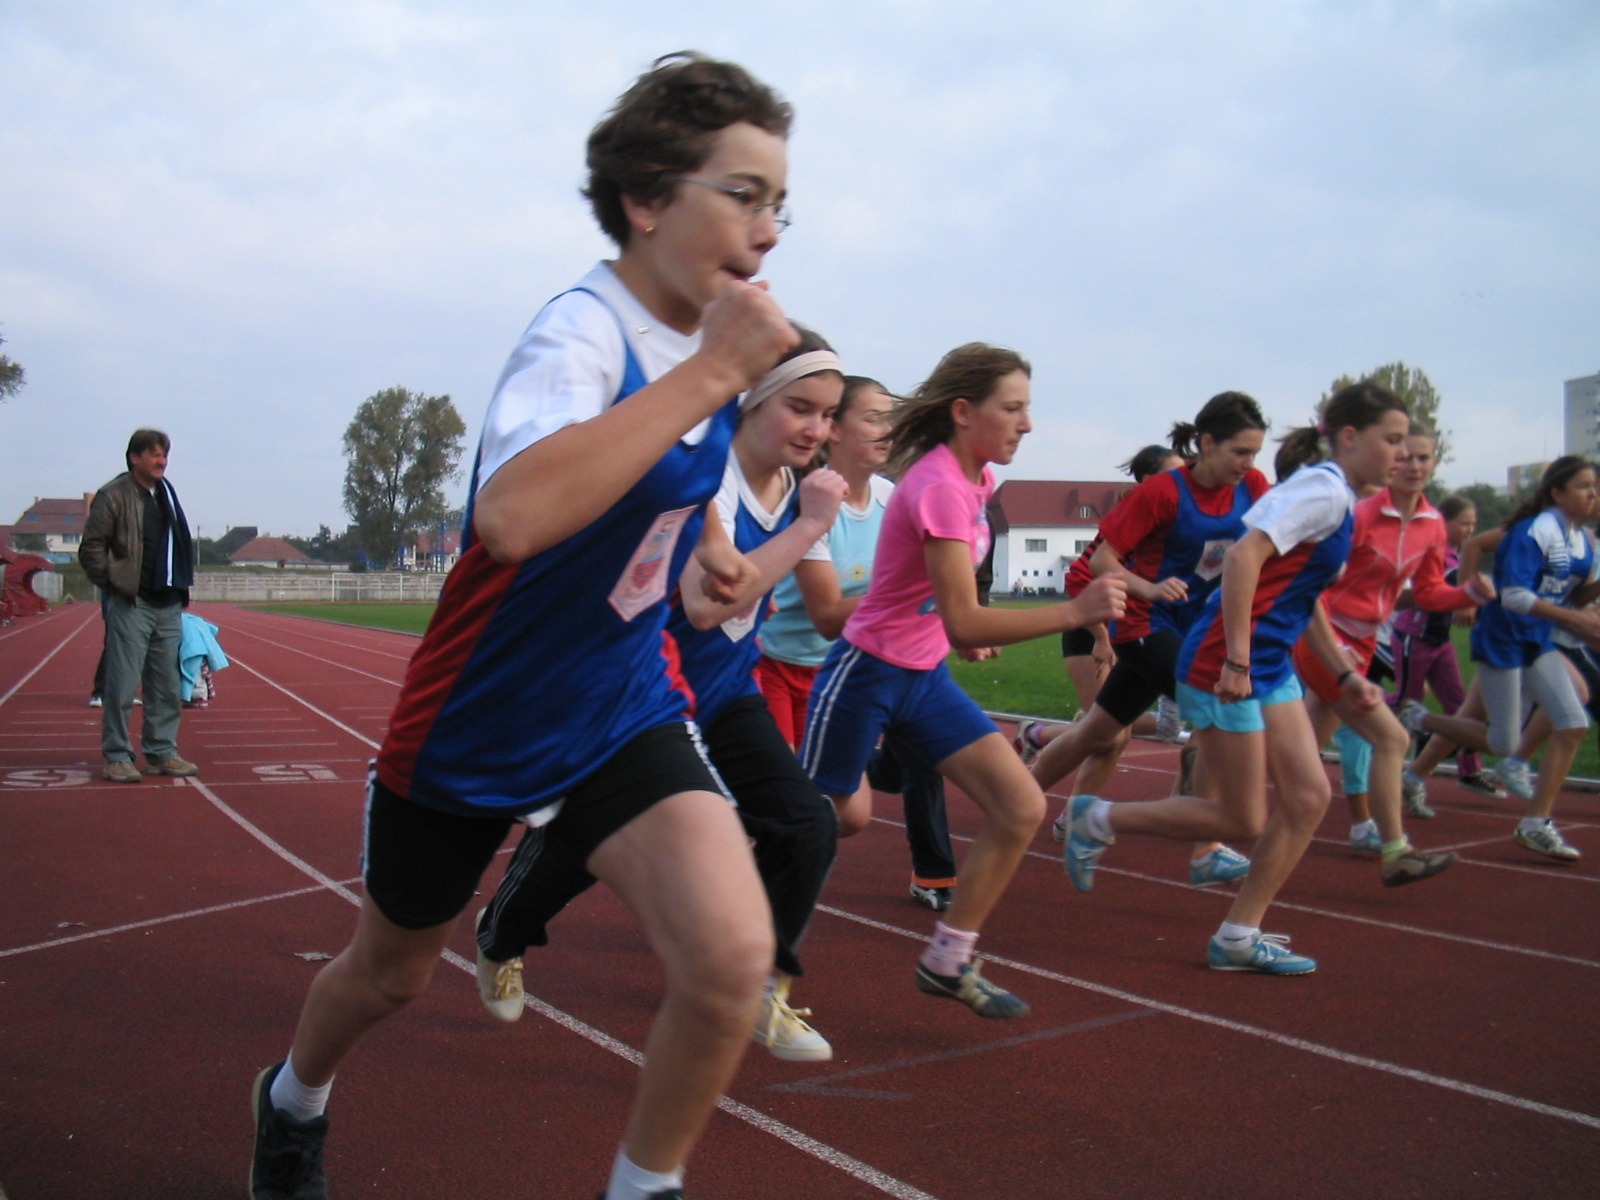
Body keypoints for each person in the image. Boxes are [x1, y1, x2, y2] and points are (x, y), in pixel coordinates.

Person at [247, 52, 800, 1200]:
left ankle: (642, 1188)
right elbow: (512, 517)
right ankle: (292, 1099)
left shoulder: (693, 350)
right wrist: (713, 376)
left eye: (781, 205)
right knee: (391, 975)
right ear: (646, 198)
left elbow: (665, 469)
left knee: (730, 953)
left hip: (617, 703)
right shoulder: (581, 337)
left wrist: (706, 541)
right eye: (743, 194)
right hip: (478, 715)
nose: (768, 229)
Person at [474, 330, 848, 1064]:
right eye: (801, 407)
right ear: (752, 401)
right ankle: (503, 930)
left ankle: (762, 989)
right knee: (588, 846)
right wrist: (807, 526)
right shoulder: (709, 476)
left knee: (805, 823)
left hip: (727, 690)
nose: (817, 430)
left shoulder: (799, 490)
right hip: (648, 695)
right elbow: (706, 606)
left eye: (830, 414)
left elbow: (824, 602)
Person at [799, 343, 1127, 1016]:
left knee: (1020, 805)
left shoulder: (977, 481)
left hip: (921, 679)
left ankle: (949, 959)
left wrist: (956, 630)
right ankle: (742, 949)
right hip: (866, 673)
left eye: (1027, 408)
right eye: (1013, 408)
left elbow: (947, 606)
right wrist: (1075, 611)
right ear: (963, 411)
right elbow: (966, 620)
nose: (1027, 423)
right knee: (815, 822)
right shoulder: (942, 487)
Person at [1061, 382, 1411, 974]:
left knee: (1308, 798)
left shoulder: (1327, 497)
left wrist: (1343, 673)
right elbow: (1244, 559)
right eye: (1393, 440)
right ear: (1350, 437)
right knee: (1241, 817)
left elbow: (1301, 595)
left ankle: (1238, 936)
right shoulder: (1323, 493)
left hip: (1269, 665)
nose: (1402, 456)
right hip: (1224, 662)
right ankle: (1095, 817)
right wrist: (1238, 661)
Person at [1030, 394, 1271, 886]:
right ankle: (1205, 847)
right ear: (1206, 443)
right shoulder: (1163, 492)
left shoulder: (1253, 487)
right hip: (1145, 625)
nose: (1248, 463)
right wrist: (1148, 588)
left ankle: (1015, 798)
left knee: (1097, 732)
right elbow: (1102, 560)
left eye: (1255, 453)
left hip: (1197, 629)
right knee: (1214, 711)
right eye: (1240, 452)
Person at [756, 376, 961, 911]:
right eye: (873, 418)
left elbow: (920, 588)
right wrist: (926, 595)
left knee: (852, 817)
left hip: (842, 673)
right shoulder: (813, 501)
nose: (887, 430)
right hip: (772, 666)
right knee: (785, 806)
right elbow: (827, 615)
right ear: (834, 430)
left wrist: (949, 616)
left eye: (891, 418)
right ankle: (733, 897)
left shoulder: (894, 498)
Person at [1291, 428, 1489, 885]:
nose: (1414, 466)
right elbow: (1313, 585)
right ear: (1390, 461)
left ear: (1435, 463)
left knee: (1303, 748)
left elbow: (1430, 592)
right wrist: (1335, 648)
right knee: (1392, 738)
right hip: (1326, 639)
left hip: (1362, 645)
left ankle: (1221, 785)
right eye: (1405, 457)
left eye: (1424, 458)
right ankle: (1395, 850)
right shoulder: (1359, 515)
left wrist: (1469, 594)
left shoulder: (1432, 524)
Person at [1399, 455, 1600, 862]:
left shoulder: (1582, 540)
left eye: (1595, 487)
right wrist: (1573, 620)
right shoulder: (1535, 531)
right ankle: (1418, 718)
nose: (1593, 495)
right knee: (1503, 741)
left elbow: (1573, 596)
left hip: (1536, 640)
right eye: (1583, 486)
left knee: (1573, 722)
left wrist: (1587, 601)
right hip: (1503, 638)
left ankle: (1535, 823)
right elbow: (1514, 596)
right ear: (1557, 492)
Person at [1012, 444, 1185, 770]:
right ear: (1150, 481)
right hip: (1094, 629)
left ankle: (1073, 797)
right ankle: (1037, 737)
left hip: (1140, 633)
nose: (1183, 484)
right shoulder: (1133, 520)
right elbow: (1080, 578)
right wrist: (1101, 637)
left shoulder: (1176, 524)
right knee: (1109, 737)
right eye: (1174, 476)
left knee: (1145, 729)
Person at [78, 428, 198, 783]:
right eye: (155, 454)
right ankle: (117, 756)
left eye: (165, 455)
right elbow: (91, 548)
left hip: (168, 603)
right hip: (133, 602)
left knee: (166, 687)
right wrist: (115, 583)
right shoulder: (114, 495)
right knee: (122, 684)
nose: (162, 461)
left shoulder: (167, 495)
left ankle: (161, 752)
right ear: (134, 457)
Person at [1392, 496, 1502, 805]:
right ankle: (1358, 715)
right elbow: (1436, 588)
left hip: (1439, 642)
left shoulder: (1457, 557)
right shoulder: (1434, 552)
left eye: (1473, 524)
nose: (1470, 530)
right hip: (1413, 637)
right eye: (1464, 523)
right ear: (1444, 522)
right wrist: (1473, 594)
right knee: (1406, 704)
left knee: (1459, 709)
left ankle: (1470, 770)